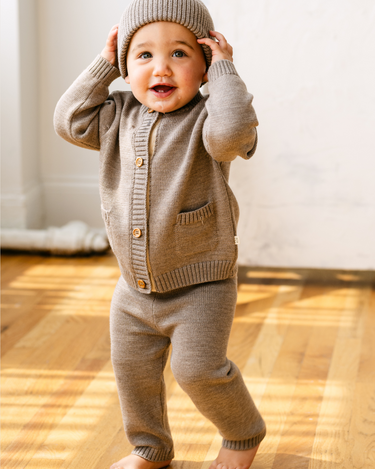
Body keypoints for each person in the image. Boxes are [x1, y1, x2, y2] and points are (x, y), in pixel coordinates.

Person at [54, 1, 266, 468]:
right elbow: (68, 120)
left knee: (197, 371)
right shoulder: (115, 116)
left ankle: (243, 433)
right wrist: (102, 65)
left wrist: (227, 73)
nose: (161, 67)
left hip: (202, 284)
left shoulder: (209, 121)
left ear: (205, 63)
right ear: (125, 69)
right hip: (134, 288)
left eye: (180, 54)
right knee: (134, 375)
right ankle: (151, 447)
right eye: (143, 56)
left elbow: (233, 135)